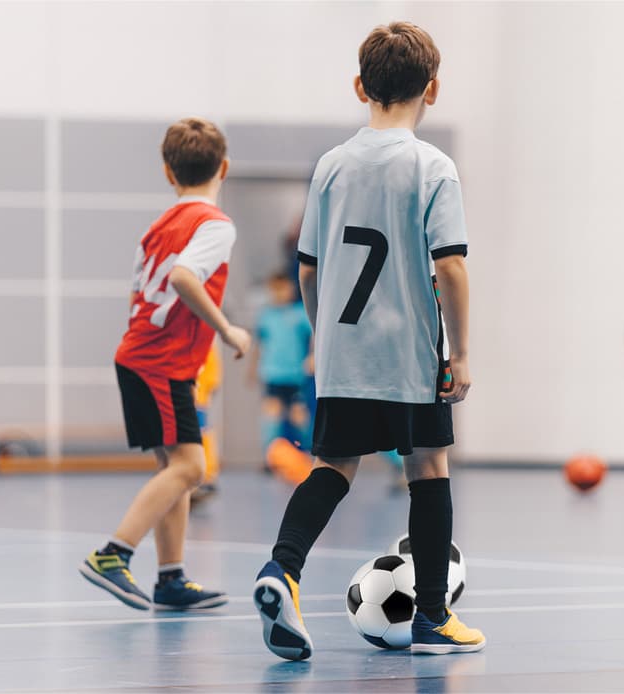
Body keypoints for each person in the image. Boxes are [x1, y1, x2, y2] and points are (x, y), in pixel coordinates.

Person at [252, 22, 485, 660]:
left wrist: (325, 334)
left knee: (332, 468)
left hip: (344, 354)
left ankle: (283, 568)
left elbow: (308, 268)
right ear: (432, 90)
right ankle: (434, 619)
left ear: (360, 86)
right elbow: (451, 266)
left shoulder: (330, 165)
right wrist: (460, 353)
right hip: (409, 354)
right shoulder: (433, 166)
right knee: (428, 468)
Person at [78, 118, 251, 609]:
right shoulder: (215, 225)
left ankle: (171, 578)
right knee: (191, 467)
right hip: (161, 365)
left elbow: (141, 291)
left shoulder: (156, 227)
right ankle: (112, 555)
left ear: (167, 172)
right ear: (224, 167)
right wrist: (227, 329)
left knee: (174, 467)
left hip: (142, 358)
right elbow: (181, 278)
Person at [251, 273, 314, 456]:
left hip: (295, 374)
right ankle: (271, 457)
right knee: (271, 415)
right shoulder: (266, 316)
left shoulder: (300, 312)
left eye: (283, 288)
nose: (279, 293)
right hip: (272, 373)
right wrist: (253, 369)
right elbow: (259, 344)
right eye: (275, 289)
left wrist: (312, 356)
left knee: (298, 415)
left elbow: (315, 335)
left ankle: (308, 453)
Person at [190, 342, 222, 505]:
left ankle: (203, 477)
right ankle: (199, 477)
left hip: (198, 390)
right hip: (194, 388)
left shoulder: (204, 333)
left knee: (201, 433)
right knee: (199, 433)